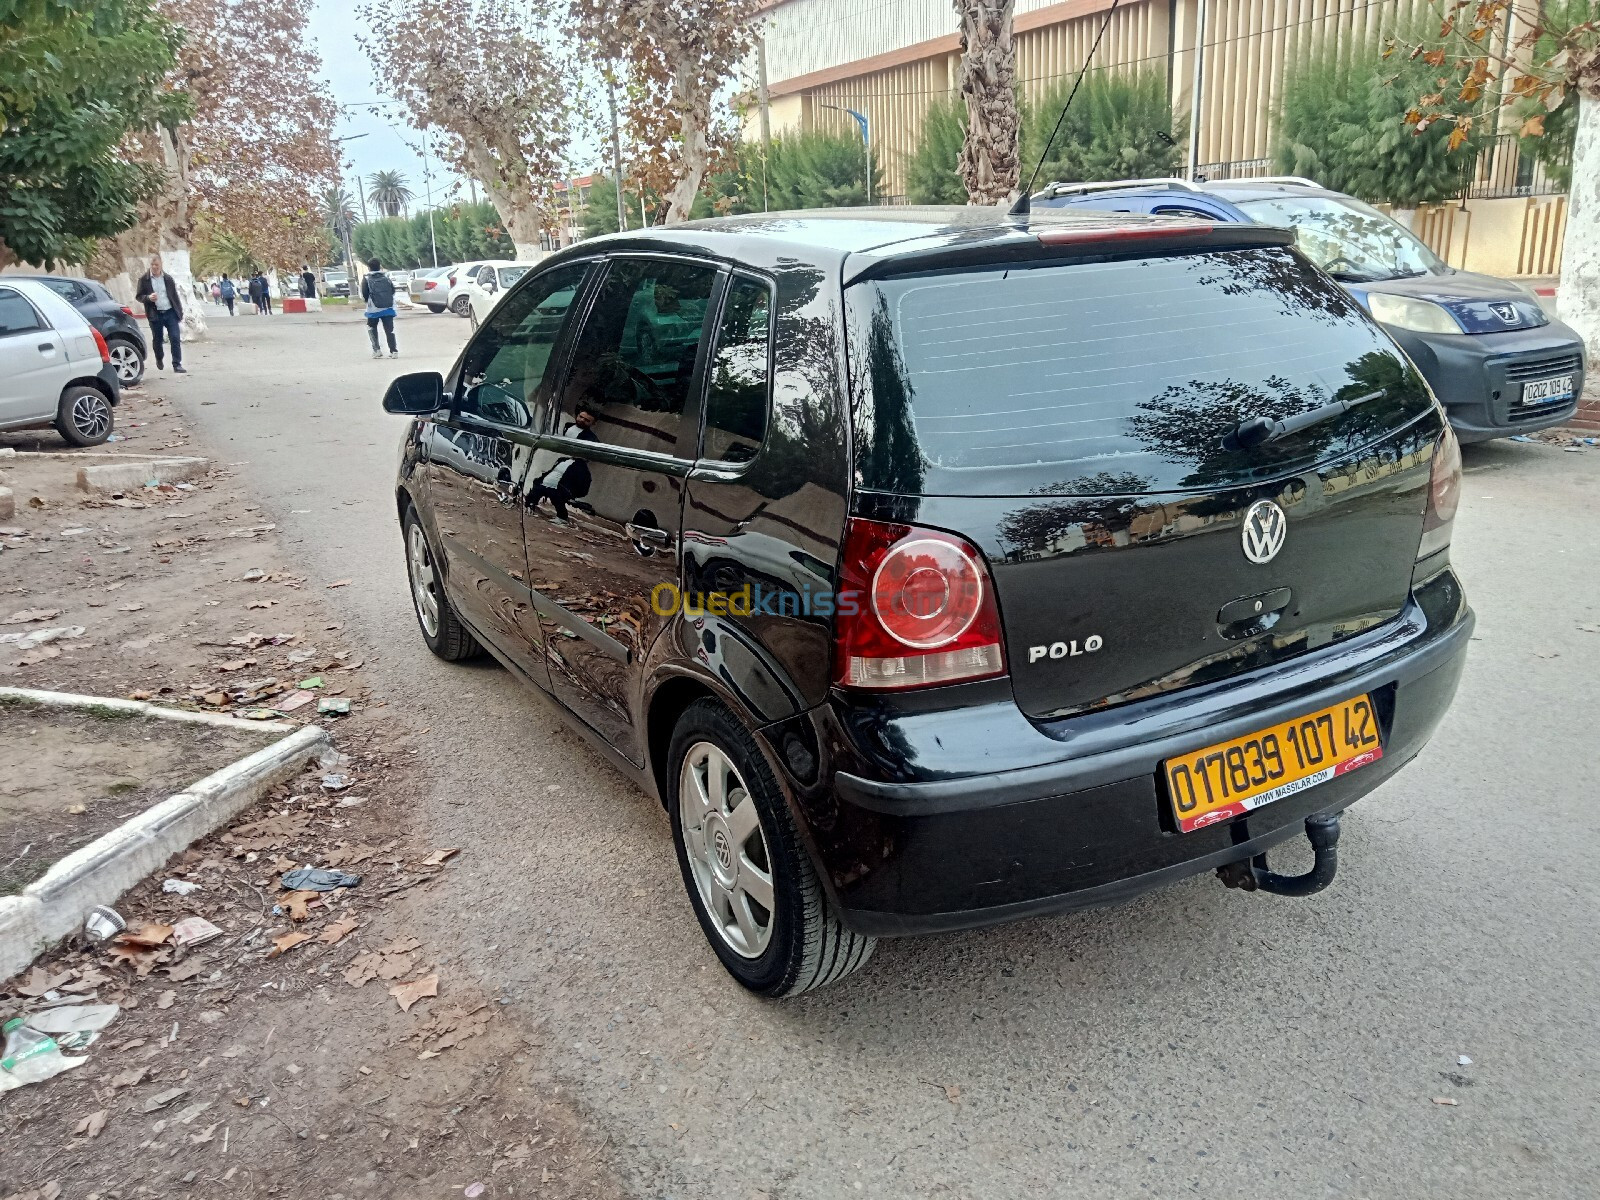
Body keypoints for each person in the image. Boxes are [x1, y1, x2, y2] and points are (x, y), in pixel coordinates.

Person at [527, 405, 598, 523]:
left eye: (587, 420)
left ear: (593, 423)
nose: (582, 421)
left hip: (574, 466)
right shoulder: (568, 426)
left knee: (557, 491)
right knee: (542, 484)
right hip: (560, 461)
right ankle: (530, 504)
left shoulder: (591, 438)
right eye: (581, 417)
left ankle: (562, 517)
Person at [134, 254, 186, 374]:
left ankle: (177, 364)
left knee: (175, 338)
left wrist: (179, 312)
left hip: (170, 312)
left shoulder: (168, 279)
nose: (154, 267)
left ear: (161, 264)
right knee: (158, 340)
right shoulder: (144, 279)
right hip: (155, 314)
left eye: (156, 265)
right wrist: (148, 297)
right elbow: (139, 296)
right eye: (152, 265)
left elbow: (174, 296)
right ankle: (159, 357)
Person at [360, 257, 398, 359]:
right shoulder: (386, 278)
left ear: (368, 268)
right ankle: (394, 351)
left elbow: (364, 294)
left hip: (373, 309)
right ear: (379, 266)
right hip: (388, 307)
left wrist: (369, 301)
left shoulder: (367, 279)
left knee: (371, 327)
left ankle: (376, 350)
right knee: (389, 330)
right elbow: (393, 291)